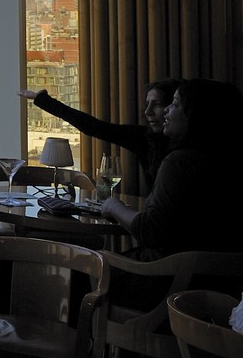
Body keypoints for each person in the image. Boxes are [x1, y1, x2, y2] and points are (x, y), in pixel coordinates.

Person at [101, 78, 243, 257]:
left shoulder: (179, 163)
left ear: (196, 115)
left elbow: (150, 231)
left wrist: (113, 206)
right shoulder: (228, 162)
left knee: (82, 270)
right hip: (217, 280)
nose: (167, 110)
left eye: (174, 104)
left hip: (165, 276)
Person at [20, 78, 180, 190]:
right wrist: (44, 101)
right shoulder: (145, 139)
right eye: (147, 104)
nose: (148, 112)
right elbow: (94, 127)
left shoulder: (189, 152)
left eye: (157, 104)